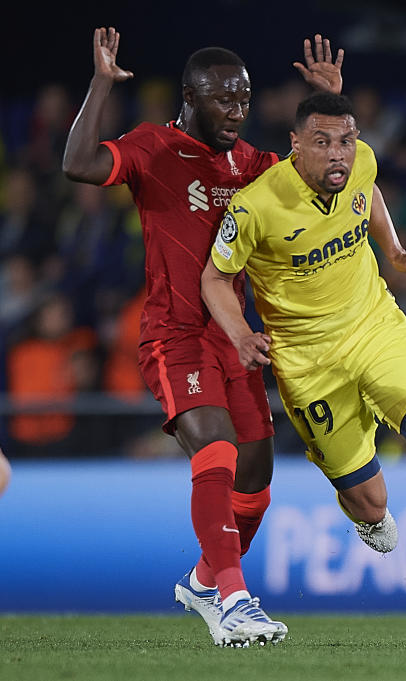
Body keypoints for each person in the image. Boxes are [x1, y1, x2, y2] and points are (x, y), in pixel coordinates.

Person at [61, 26, 344, 647]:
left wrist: (326, 110)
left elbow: (332, 187)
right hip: (175, 335)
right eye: (223, 99)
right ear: (190, 98)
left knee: (257, 481)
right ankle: (236, 601)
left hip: (234, 339)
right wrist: (101, 85)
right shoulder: (153, 148)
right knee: (215, 449)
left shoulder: (254, 165)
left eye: (243, 99)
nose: (237, 111)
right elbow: (78, 164)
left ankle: (203, 582)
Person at [200, 92, 406, 647]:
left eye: (345, 140)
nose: (338, 155)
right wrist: (241, 333)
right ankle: (367, 516)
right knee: (372, 502)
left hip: (375, 329)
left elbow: (367, 192)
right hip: (307, 363)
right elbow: (215, 278)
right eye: (321, 142)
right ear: (294, 146)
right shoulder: (256, 206)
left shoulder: (362, 162)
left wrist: (393, 252)